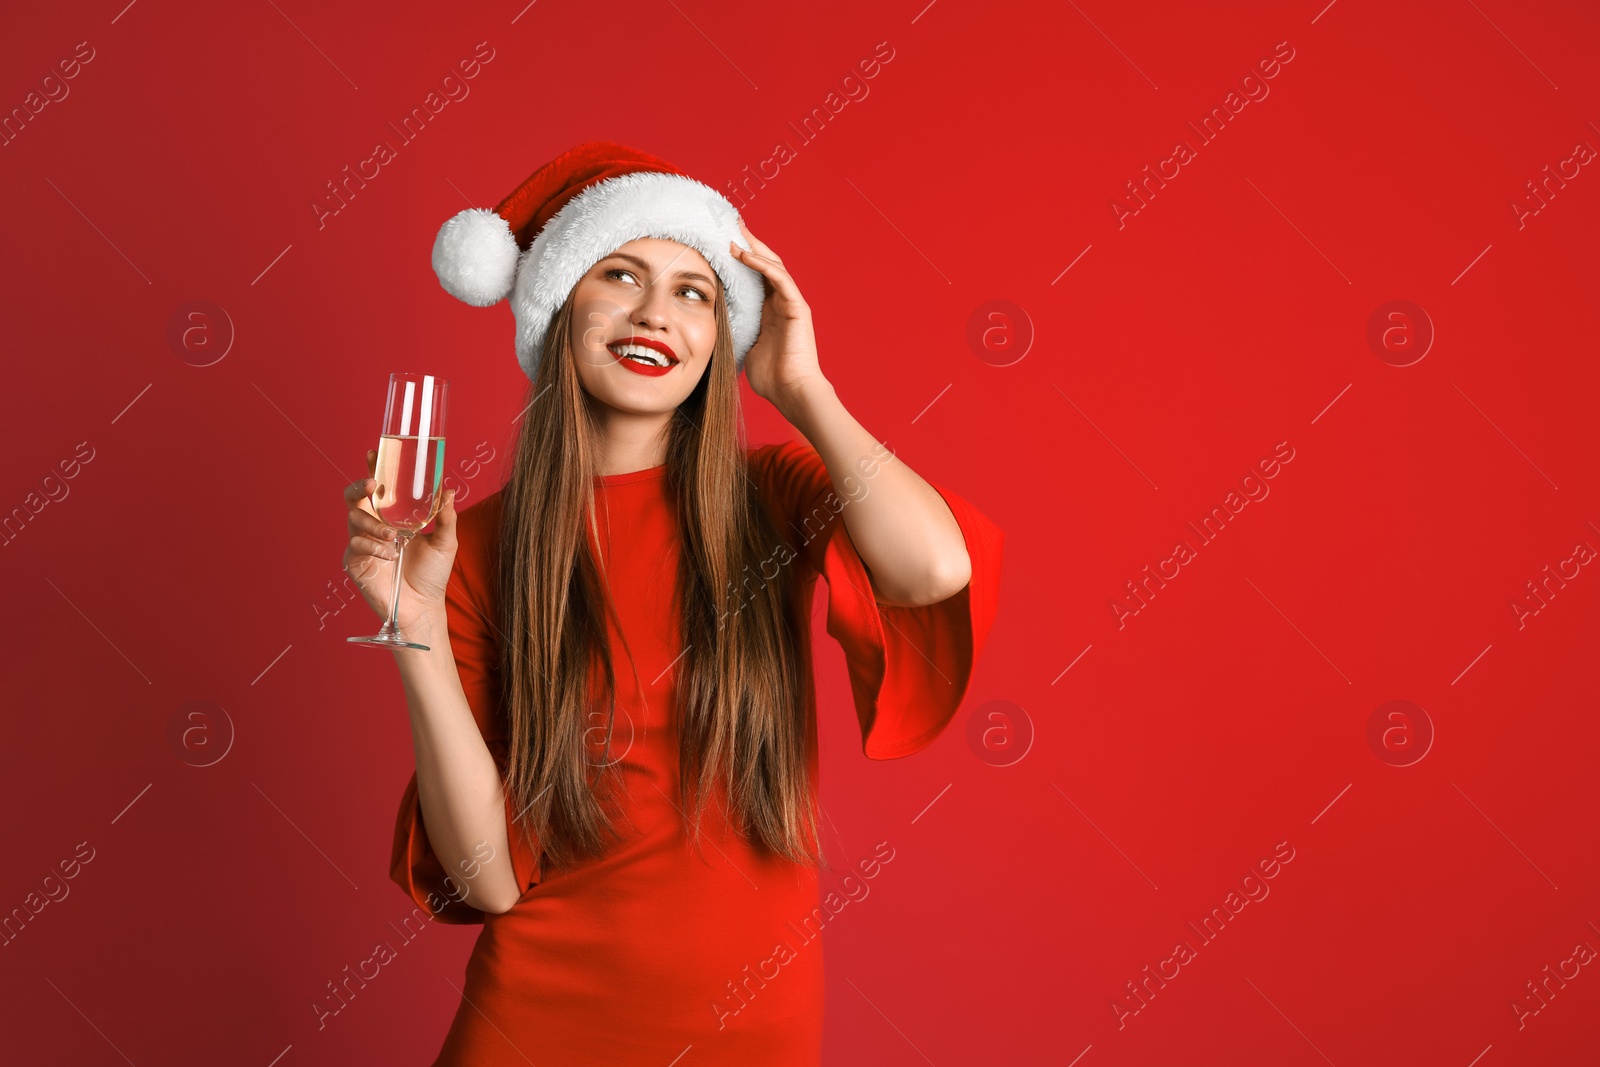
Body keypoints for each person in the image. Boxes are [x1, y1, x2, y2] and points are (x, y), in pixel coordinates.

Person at [340, 141, 1005, 1065]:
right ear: (560, 305)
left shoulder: (773, 494)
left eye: (695, 290)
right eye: (620, 274)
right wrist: (413, 630)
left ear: (722, 334)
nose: (656, 312)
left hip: (753, 1033)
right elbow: (488, 881)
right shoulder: (471, 547)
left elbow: (933, 568)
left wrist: (802, 388)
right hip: (533, 1023)